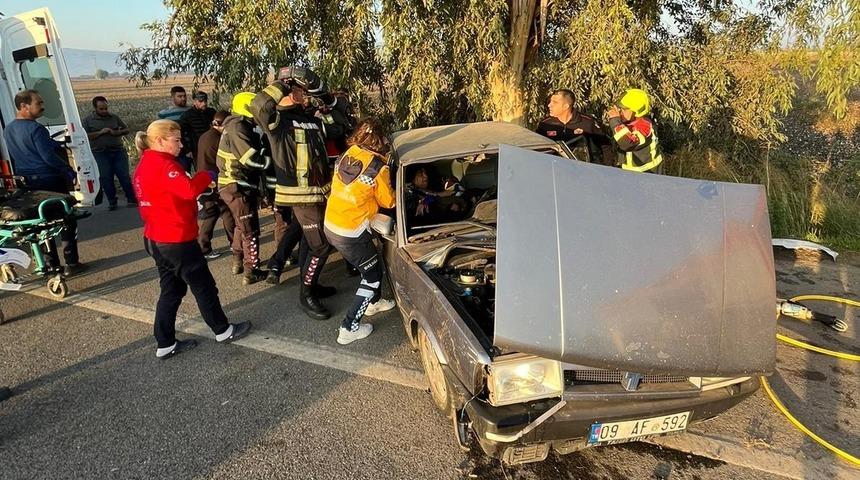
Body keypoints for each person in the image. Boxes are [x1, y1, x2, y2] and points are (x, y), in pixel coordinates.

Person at [132, 119, 250, 359]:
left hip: (155, 238)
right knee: (204, 286)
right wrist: (205, 176)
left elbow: (172, 194)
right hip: (176, 240)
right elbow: (187, 189)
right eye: (176, 140)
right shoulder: (165, 165)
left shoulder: (145, 163)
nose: (181, 145)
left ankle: (164, 342)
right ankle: (223, 330)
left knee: (171, 290)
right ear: (160, 141)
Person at [250, 66, 337, 320]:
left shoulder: (309, 118)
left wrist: (328, 101)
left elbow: (337, 127)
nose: (303, 94)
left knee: (312, 245)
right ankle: (306, 295)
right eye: (300, 90)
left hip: (320, 192)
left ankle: (312, 285)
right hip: (301, 195)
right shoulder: (277, 120)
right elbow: (258, 105)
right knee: (321, 247)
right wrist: (284, 83)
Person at [324, 118, 397, 344]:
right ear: (379, 140)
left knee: (372, 264)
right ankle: (348, 327)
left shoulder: (350, 153)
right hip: (351, 231)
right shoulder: (377, 166)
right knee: (372, 276)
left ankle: (373, 304)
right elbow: (390, 201)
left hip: (332, 223)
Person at [2, 90, 84, 276]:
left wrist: (51, 143)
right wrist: (68, 170)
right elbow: (47, 157)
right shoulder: (35, 129)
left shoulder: (9, 129)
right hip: (49, 180)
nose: (42, 106)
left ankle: (50, 264)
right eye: (38, 103)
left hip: (27, 182)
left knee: (40, 225)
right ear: (24, 106)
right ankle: (72, 262)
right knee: (65, 220)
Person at [217, 92, 269, 285]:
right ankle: (251, 270)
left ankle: (237, 261)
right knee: (250, 230)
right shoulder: (238, 127)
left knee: (241, 226)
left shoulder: (238, 125)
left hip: (235, 185)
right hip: (237, 185)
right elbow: (250, 159)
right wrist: (272, 161)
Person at [82, 96, 137, 210]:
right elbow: (84, 136)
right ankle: (112, 201)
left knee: (124, 176)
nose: (104, 111)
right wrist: (100, 133)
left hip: (117, 151)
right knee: (106, 177)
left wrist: (115, 132)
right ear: (95, 108)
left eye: (106, 108)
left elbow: (126, 129)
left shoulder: (114, 118)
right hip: (100, 153)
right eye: (101, 109)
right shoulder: (88, 120)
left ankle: (131, 199)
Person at [535, 89, 613, 165]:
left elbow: (605, 145)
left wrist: (607, 168)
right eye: (550, 102)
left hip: (582, 170)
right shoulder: (545, 124)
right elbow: (537, 147)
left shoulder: (587, 123)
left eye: (554, 102)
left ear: (566, 106)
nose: (549, 105)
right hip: (554, 170)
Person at [196, 110, 235, 259]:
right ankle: (205, 247)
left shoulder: (206, 136)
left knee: (220, 212)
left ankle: (231, 242)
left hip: (204, 178)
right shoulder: (218, 139)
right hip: (213, 180)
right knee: (216, 213)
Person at [606, 88, 663, 173]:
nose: (620, 112)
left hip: (648, 173)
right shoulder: (627, 122)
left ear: (636, 111)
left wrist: (615, 121)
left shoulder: (644, 126)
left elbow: (627, 143)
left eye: (624, 109)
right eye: (619, 108)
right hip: (630, 173)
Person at [179, 91, 216, 163]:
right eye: (200, 101)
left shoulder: (211, 112)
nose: (204, 103)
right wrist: (187, 150)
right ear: (195, 102)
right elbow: (181, 134)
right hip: (196, 150)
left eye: (205, 101)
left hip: (211, 147)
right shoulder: (187, 115)